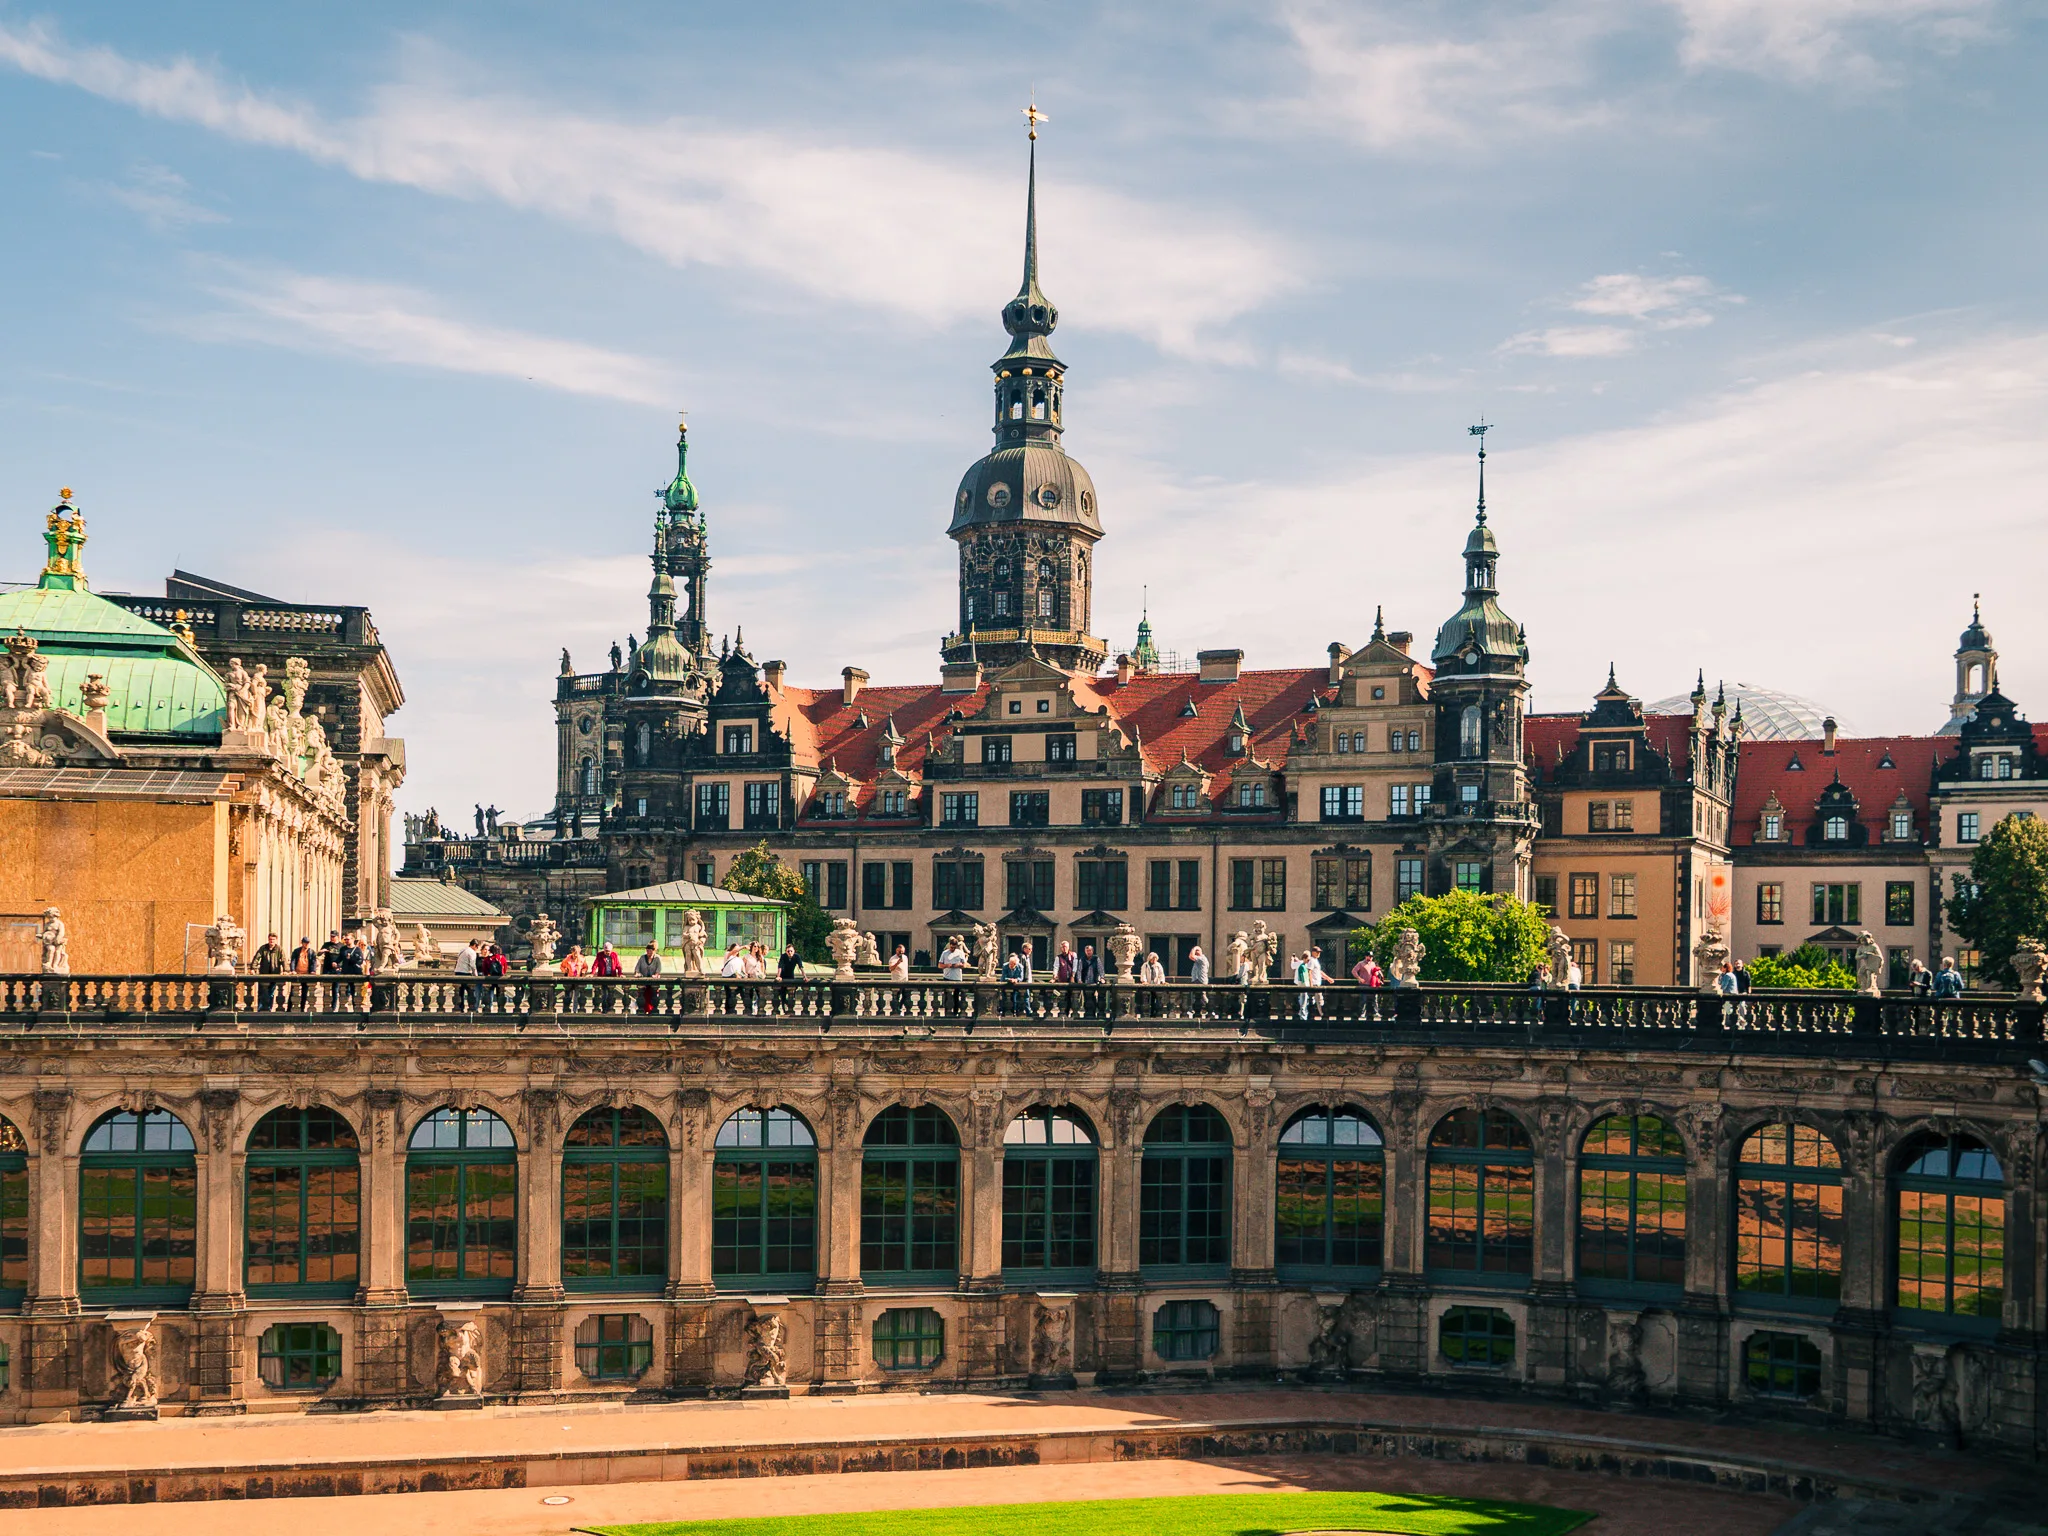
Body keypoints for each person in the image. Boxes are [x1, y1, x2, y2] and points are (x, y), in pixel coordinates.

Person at [252, 931, 285, 1010]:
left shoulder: (279, 949)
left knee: (271, 993)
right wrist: (253, 968)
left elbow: (283, 960)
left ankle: (269, 1008)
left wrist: (286, 970)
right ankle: (260, 1009)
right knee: (261, 992)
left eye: (273, 939)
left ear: (276, 940)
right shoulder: (263, 948)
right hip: (264, 973)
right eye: (270, 939)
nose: (271, 941)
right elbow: (257, 958)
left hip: (274, 974)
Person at [939, 934, 970, 1017]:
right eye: (951, 947)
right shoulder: (945, 953)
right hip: (947, 977)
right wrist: (947, 965)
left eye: (954, 948)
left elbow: (964, 965)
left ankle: (955, 1012)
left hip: (957, 978)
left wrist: (958, 965)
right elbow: (939, 965)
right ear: (949, 945)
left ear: (956, 946)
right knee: (947, 996)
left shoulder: (960, 953)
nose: (952, 949)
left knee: (956, 996)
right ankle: (947, 1012)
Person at [636, 941, 663, 1014]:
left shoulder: (657, 958)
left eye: (650, 952)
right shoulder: (642, 957)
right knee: (643, 997)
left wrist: (656, 974)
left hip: (653, 982)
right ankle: (642, 1011)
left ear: (654, 951)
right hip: (643, 982)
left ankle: (652, 1011)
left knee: (653, 997)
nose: (649, 953)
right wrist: (637, 973)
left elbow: (659, 969)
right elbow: (637, 968)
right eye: (647, 951)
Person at [1299, 946, 1326, 1020]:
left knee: (1317, 1000)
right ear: (1313, 952)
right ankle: (1322, 1015)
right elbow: (1309, 972)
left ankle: (1320, 1014)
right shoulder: (1312, 960)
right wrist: (1311, 984)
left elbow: (1319, 972)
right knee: (1318, 1000)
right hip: (1314, 984)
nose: (1319, 953)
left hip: (1317, 983)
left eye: (1319, 952)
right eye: (1317, 952)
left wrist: (1328, 978)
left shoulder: (1316, 960)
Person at [289, 935, 316, 1010]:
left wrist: (313, 971)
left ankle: (302, 1009)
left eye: (308, 943)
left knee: (304, 993)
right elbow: (293, 961)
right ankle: (289, 1009)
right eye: (305, 943)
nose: (306, 944)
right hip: (297, 974)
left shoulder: (312, 952)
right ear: (302, 943)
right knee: (293, 992)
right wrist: (293, 970)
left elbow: (314, 962)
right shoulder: (297, 951)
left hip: (306, 974)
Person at [454, 939, 481, 1011]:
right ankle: (471, 1007)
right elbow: (473, 965)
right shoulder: (472, 952)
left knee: (460, 991)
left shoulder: (462, 950)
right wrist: (476, 975)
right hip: (466, 973)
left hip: (458, 972)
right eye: (477, 947)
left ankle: (460, 1007)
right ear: (475, 945)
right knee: (471, 991)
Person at [1139, 950, 1165, 1017]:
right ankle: (1147, 1013)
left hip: (1156, 984)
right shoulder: (1145, 965)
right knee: (1148, 1000)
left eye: (1155, 959)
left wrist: (1162, 981)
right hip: (1148, 984)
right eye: (1153, 959)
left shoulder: (1158, 965)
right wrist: (1144, 981)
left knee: (1157, 999)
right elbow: (1143, 974)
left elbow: (1161, 974)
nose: (1154, 960)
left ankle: (1156, 1013)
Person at [889, 943, 911, 1013]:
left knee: (906, 996)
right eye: (899, 951)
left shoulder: (905, 957)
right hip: (896, 980)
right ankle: (895, 1010)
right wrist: (897, 963)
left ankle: (899, 1007)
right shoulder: (893, 958)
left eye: (902, 952)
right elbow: (891, 969)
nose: (901, 953)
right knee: (896, 996)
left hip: (904, 980)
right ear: (896, 951)